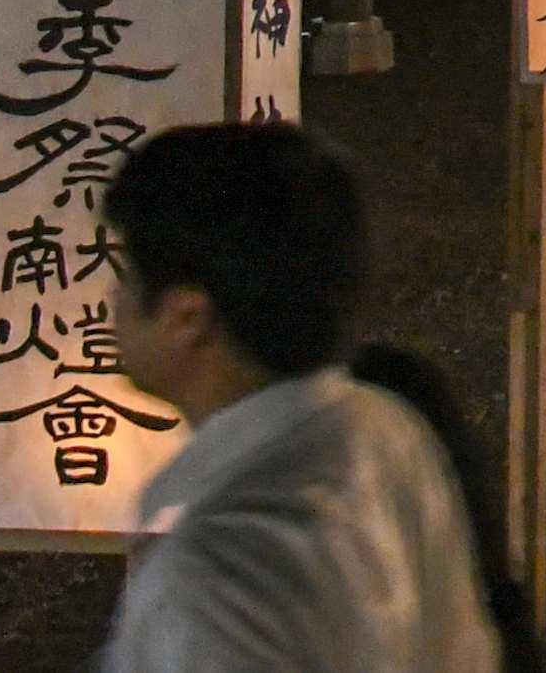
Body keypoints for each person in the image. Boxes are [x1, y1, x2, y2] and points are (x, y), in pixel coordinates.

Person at [99, 123, 506, 673]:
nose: (112, 300)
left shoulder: (213, 581)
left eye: (127, 273)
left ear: (187, 317)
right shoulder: (387, 426)